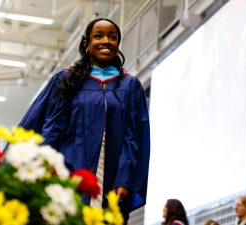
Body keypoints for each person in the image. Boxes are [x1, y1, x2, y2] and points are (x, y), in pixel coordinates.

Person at [19, 17, 150, 224]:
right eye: (98, 36)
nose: (106, 41)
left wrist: (124, 179)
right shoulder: (66, 79)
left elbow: (132, 138)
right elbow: (48, 127)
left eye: (112, 37)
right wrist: (41, 167)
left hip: (110, 177)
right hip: (68, 174)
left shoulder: (129, 86)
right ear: (86, 44)